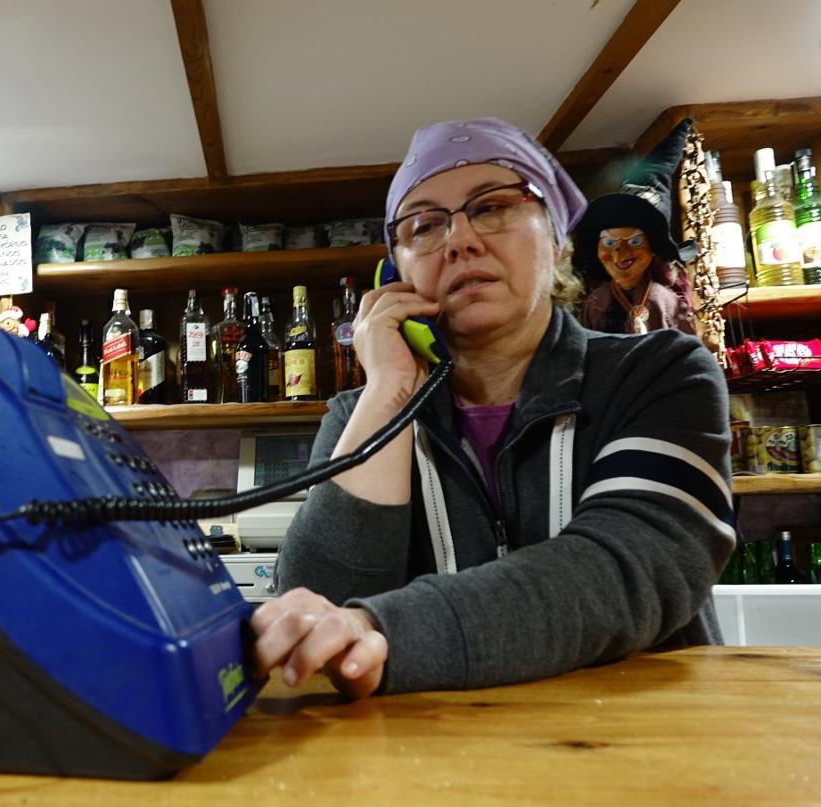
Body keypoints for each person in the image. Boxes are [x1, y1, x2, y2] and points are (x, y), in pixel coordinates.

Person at [250, 117, 734, 699]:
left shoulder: (661, 372)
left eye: (493, 207)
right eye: (424, 225)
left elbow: (630, 568)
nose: (459, 241)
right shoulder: (361, 414)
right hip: (439, 761)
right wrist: (390, 391)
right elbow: (316, 614)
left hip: (646, 748)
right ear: (395, 275)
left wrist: (387, 629)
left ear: (556, 241)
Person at [573, 119, 697, 336]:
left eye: (634, 241)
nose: (619, 252)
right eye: (609, 242)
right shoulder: (595, 304)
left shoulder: (666, 303)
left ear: (654, 247)